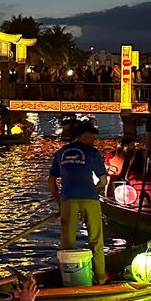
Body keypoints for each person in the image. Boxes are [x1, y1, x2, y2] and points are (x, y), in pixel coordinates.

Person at [48, 120, 107, 285]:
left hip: (68, 199)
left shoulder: (61, 153)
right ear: (83, 136)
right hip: (90, 198)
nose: (93, 142)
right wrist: (95, 189)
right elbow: (103, 180)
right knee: (96, 239)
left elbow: (51, 181)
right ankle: (100, 277)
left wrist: (60, 203)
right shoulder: (93, 153)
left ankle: (69, 278)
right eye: (92, 138)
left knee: (67, 242)